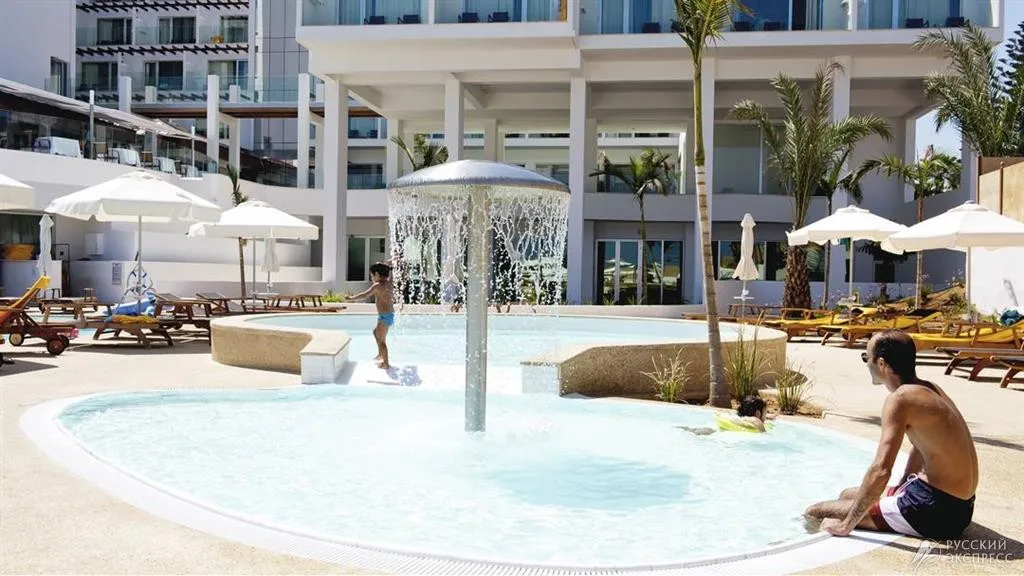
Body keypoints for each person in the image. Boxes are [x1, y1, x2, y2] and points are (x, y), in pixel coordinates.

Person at [805, 330, 978, 541]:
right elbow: (922, 446)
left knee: (817, 511)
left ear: (881, 363)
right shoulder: (930, 389)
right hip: (957, 505)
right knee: (846, 494)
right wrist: (903, 484)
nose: (866, 363)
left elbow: (881, 470)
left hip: (935, 511)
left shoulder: (900, 399)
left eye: (866, 357)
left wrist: (847, 525)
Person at [344, 262, 395, 370]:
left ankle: (386, 363)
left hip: (385, 316)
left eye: (371, 276)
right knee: (376, 333)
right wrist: (391, 268)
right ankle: (380, 354)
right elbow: (392, 276)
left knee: (381, 340)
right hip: (387, 315)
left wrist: (351, 298)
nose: (371, 278)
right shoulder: (389, 283)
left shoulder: (377, 286)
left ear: (377, 274)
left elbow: (364, 295)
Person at [677, 395, 775, 435]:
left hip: (716, 431)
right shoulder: (756, 421)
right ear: (757, 413)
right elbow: (762, 431)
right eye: (765, 414)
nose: (765, 418)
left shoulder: (737, 417)